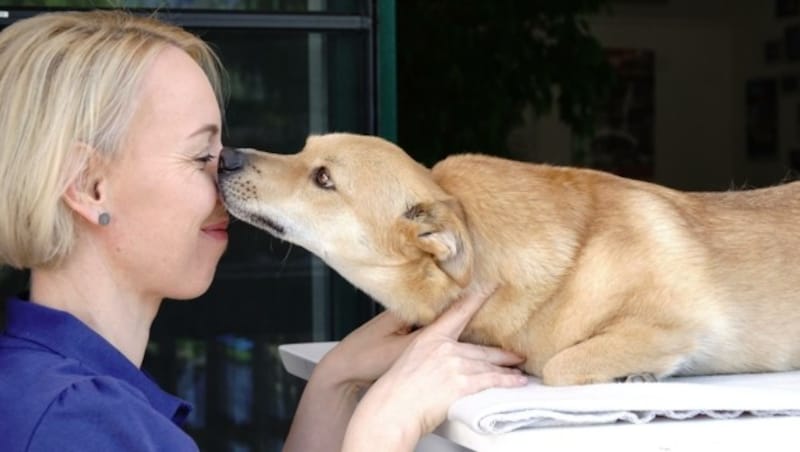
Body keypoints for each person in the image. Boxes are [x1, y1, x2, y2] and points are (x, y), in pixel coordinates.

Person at [0, 10, 527, 452]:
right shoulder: (75, 424)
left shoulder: (47, 381)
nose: (226, 173)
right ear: (90, 187)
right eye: (202, 154)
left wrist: (335, 379)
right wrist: (383, 428)